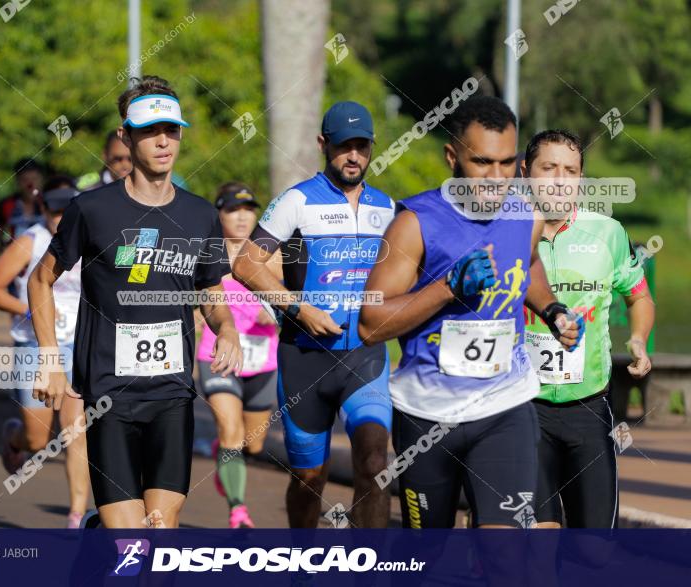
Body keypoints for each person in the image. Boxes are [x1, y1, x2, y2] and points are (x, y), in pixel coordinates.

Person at [359, 96, 583, 533]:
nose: (496, 179)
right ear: (452, 157)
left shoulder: (526, 213)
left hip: (506, 407)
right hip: (426, 415)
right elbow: (371, 324)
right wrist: (446, 289)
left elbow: (529, 261)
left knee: (507, 550)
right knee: (428, 560)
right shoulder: (416, 222)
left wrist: (551, 308)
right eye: (482, 162)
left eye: (506, 163)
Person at [28, 75, 241, 529]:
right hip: (109, 393)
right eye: (150, 131)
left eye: (172, 130)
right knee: (128, 542)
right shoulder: (92, 210)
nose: (164, 142)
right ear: (126, 136)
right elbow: (40, 279)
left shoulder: (200, 214)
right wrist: (50, 357)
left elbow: (210, 292)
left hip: (171, 392)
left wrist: (226, 327)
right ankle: (98, 532)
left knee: (161, 528)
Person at [233, 101, 395, 528]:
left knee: (375, 463)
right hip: (306, 357)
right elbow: (246, 264)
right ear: (324, 145)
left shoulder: (388, 208)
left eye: (362, 146)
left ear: (373, 147)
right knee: (309, 476)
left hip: (366, 355)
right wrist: (298, 308)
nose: (353, 156)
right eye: (344, 146)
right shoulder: (297, 201)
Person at [521, 129, 654, 528]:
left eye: (571, 170)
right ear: (526, 171)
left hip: (590, 407)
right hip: (521, 408)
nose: (561, 180)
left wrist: (638, 339)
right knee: (539, 538)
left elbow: (640, 297)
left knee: (594, 550)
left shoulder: (608, 233)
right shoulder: (502, 231)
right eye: (549, 168)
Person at [0, 186, 90, 529]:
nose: (59, 219)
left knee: (76, 431)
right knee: (38, 438)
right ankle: (14, 436)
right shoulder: (31, 240)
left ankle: (76, 515)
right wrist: (30, 311)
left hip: (78, 343)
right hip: (35, 346)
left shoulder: (90, 237)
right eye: (53, 211)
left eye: (65, 212)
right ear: (42, 210)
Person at [196, 182, 281, 528]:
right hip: (217, 355)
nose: (243, 216)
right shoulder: (207, 252)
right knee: (231, 431)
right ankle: (238, 510)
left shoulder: (273, 255)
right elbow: (194, 302)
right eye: (233, 209)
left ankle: (225, 454)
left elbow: (292, 297)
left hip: (264, 359)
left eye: (248, 209)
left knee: (254, 444)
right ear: (219, 214)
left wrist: (273, 312)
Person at [0, 158, 45, 248]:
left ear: (41, 180)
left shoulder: (49, 203)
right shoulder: (6, 205)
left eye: (34, 179)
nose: (30, 185)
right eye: (25, 180)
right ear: (17, 181)